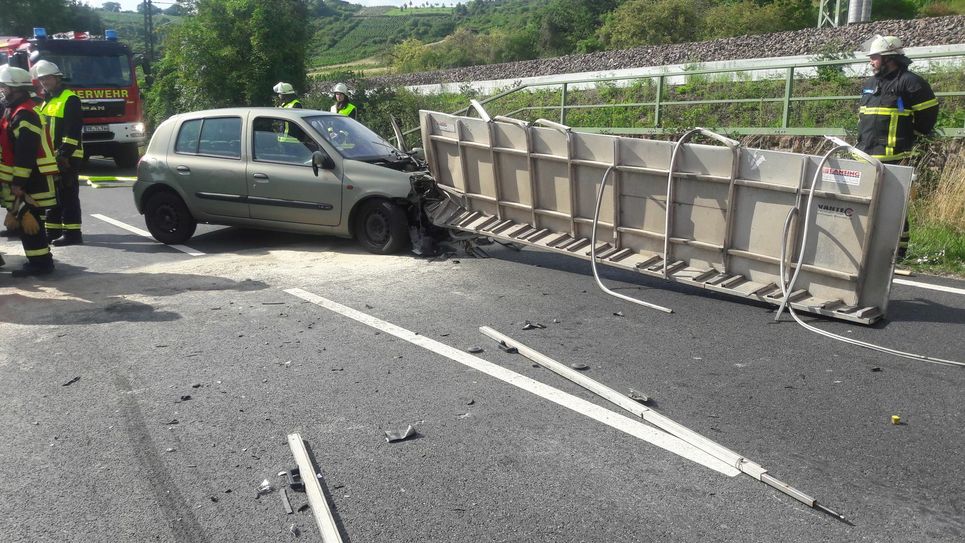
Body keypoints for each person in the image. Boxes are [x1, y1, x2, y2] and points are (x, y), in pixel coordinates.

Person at [856, 35, 939, 260]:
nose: (871, 61)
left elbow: (928, 117)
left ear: (889, 58)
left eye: (874, 57)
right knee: (863, 204)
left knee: (893, 206)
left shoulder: (911, 83)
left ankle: (897, 253)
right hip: (865, 154)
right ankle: (865, 249)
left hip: (895, 156)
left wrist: (912, 137)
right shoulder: (872, 83)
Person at [0, 65, 60, 277]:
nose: (2, 91)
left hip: (33, 179)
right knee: (28, 222)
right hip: (29, 178)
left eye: (5, 88)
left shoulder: (24, 114)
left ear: (16, 89)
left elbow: (25, 154)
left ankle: (41, 264)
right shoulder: (16, 110)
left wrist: (18, 183)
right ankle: (40, 261)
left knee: (31, 223)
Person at [32, 60, 85, 246]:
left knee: (68, 195)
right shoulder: (47, 101)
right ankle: (53, 230)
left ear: (57, 78)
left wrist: (64, 155)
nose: (44, 82)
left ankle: (73, 233)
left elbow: (73, 131)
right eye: (42, 79)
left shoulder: (70, 99)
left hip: (67, 157)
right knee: (53, 195)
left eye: (47, 78)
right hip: (52, 156)